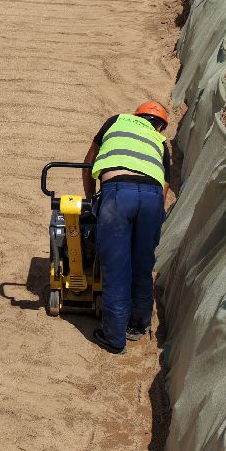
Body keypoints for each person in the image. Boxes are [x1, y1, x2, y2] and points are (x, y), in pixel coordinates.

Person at [82, 100, 172, 354]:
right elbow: (165, 183)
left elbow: (90, 163)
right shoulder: (160, 142)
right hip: (153, 198)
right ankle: (137, 325)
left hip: (118, 193)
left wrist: (91, 199)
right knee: (142, 265)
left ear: (137, 115)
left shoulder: (116, 121)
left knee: (116, 267)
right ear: (161, 127)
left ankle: (113, 337)